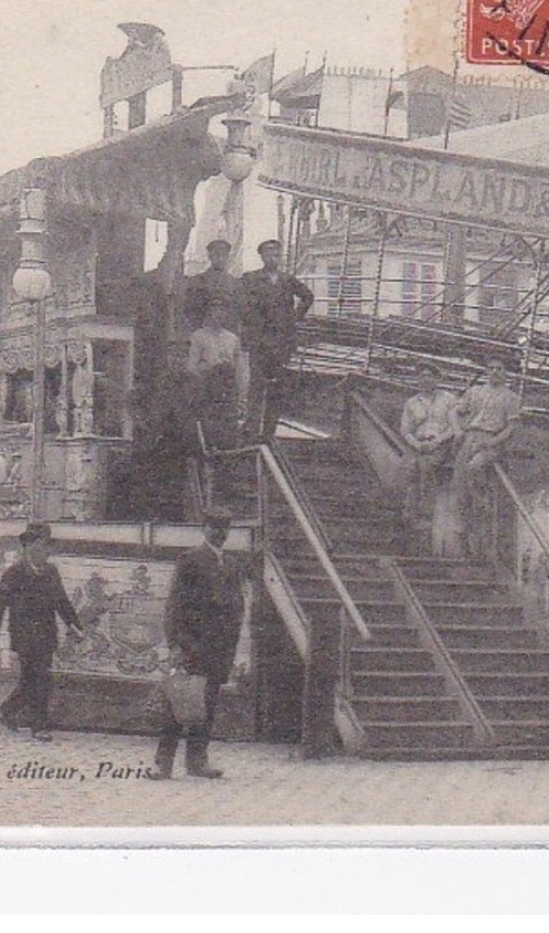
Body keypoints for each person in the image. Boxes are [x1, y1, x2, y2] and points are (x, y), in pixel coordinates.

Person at [149, 507, 247, 780]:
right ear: (204, 528)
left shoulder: (232, 565)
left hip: (219, 648)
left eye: (224, 528)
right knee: (178, 705)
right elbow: (175, 605)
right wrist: (176, 645)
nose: (219, 532)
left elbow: (237, 607)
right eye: (214, 527)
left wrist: (234, 645)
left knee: (207, 706)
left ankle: (197, 761)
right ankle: (163, 762)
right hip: (192, 645)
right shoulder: (189, 560)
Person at [0, 522, 83, 741]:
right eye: (39, 546)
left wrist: (74, 625)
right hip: (24, 636)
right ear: (27, 548)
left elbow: (62, 601)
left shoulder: (51, 572)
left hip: (47, 634)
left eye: (47, 547)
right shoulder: (14, 573)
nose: (44, 552)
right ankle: (39, 726)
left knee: (32, 680)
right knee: (40, 679)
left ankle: (9, 708)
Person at [239, 239, 314, 440]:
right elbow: (243, 306)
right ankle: (251, 428)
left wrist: (294, 318)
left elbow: (308, 297)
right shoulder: (251, 279)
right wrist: (252, 329)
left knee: (277, 387)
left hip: (282, 343)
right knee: (256, 386)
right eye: (270, 254)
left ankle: (269, 431)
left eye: (277, 254)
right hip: (260, 342)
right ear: (262, 256)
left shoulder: (287, 280)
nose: (274, 258)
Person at [450, 358, 522, 557]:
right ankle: (463, 538)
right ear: (486, 371)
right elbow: (455, 412)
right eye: (491, 368)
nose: (495, 372)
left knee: (475, 467)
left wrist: (489, 443)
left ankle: (481, 502)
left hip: (491, 440)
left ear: (505, 373)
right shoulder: (475, 392)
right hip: (469, 437)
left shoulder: (511, 397)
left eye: (499, 368)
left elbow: (510, 428)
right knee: (459, 486)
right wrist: (457, 430)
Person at [398, 364, 460, 511]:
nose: (425, 379)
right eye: (422, 376)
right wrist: (417, 445)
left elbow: (454, 426)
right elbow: (406, 430)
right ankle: (408, 511)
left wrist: (437, 441)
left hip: (441, 444)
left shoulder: (449, 399)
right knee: (409, 468)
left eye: (429, 376)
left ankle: (426, 511)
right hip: (418, 444)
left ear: (437, 379)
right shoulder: (411, 403)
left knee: (427, 467)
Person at [186, 307, 242, 452]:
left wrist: (237, 387)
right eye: (215, 312)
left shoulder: (232, 338)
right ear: (208, 314)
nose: (219, 316)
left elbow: (237, 365)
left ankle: (227, 445)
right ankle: (210, 444)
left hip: (227, 382)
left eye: (222, 312)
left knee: (227, 416)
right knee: (209, 415)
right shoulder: (198, 336)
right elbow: (192, 365)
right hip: (208, 381)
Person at [183, 239, 242, 332]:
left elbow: (237, 310)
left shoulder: (236, 283)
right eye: (216, 255)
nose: (220, 258)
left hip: (228, 330)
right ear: (210, 256)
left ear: (228, 257)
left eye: (223, 255)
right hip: (204, 330)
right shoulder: (197, 281)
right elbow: (191, 310)